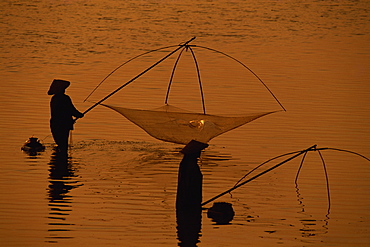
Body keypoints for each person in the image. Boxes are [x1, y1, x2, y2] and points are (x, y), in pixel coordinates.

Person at [48, 79, 84, 153]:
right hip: (63, 125)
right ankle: (63, 160)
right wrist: (79, 115)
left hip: (55, 124)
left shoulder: (54, 99)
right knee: (63, 144)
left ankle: (59, 159)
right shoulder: (64, 98)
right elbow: (71, 110)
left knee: (60, 143)